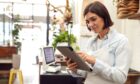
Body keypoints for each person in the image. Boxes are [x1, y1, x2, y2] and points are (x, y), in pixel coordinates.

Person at [66, 1, 131, 84]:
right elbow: (88, 73)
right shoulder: (90, 42)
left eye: (93, 19)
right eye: (87, 21)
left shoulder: (121, 41)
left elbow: (120, 78)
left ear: (104, 17)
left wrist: (94, 61)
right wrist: (74, 69)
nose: (90, 24)